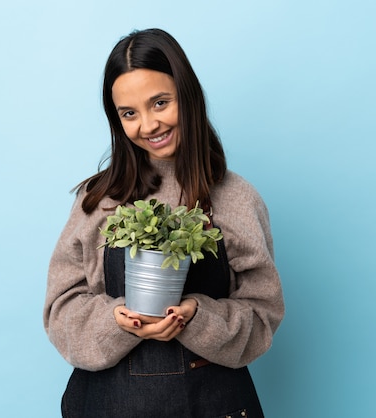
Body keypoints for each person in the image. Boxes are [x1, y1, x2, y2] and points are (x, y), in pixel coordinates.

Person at [43, 28, 285, 417]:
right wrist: (117, 321)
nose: (149, 124)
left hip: (212, 403)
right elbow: (60, 311)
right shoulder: (97, 201)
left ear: (187, 96)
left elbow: (261, 315)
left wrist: (197, 315)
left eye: (160, 102)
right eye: (129, 113)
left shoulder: (236, 198)